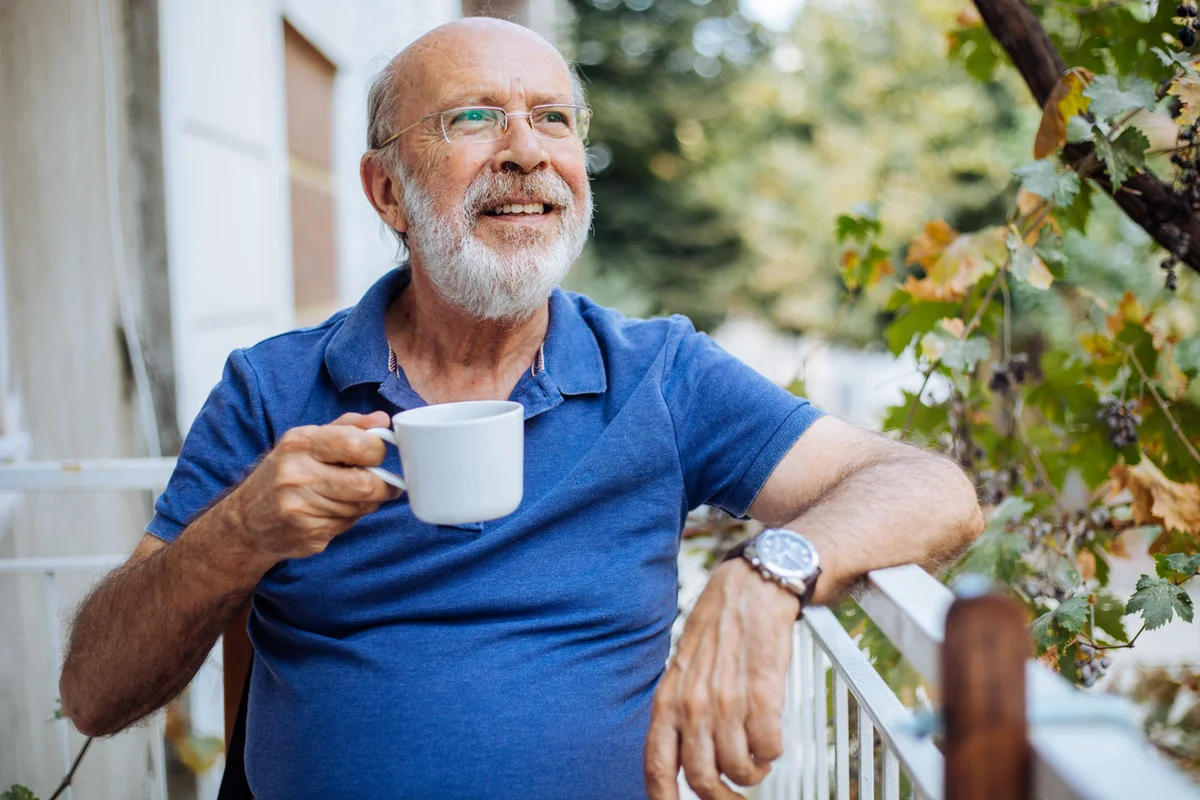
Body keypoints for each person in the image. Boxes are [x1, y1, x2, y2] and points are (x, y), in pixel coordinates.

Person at [58, 17, 983, 800]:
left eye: (553, 120)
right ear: (388, 192)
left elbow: (932, 489)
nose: (527, 150)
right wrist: (239, 533)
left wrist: (768, 571)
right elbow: (95, 694)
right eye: (475, 118)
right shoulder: (272, 388)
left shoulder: (657, 373)